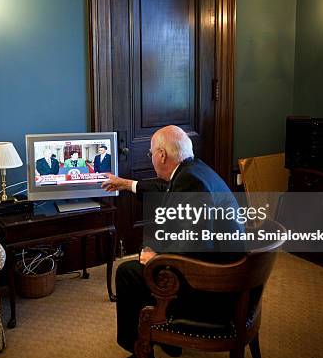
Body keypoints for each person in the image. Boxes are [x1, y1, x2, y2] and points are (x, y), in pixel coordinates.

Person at [102, 125, 242, 358]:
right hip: (231, 273)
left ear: (162, 155)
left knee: (128, 272)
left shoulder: (190, 183)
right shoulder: (194, 170)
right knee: (150, 259)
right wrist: (125, 184)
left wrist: (157, 259)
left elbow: (196, 247)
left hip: (215, 288)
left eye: (150, 153)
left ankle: (139, 347)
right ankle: (166, 334)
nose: (151, 158)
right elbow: (163, 188)